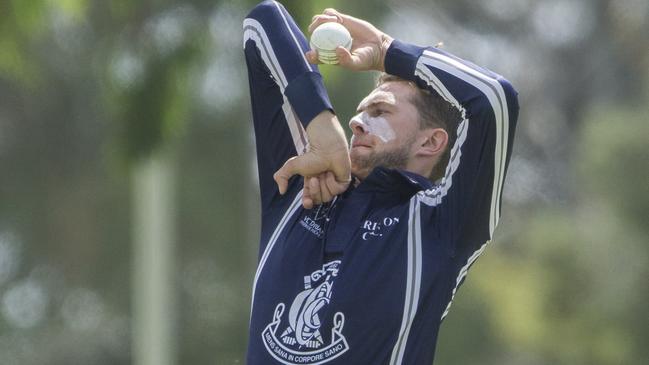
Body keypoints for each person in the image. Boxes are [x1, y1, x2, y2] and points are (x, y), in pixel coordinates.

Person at [242, 1, 519, 364]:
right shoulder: (300, 188)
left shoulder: (440, 225)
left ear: (430, 142)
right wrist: (321, 123)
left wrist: (388, 51)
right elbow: (262, 23)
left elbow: (493, 98)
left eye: (380, 111)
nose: (357, 122)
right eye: (360, 111)